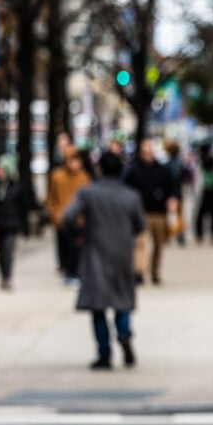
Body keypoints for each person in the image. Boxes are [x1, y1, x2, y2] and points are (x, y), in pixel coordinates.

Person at [63, 151, 145, 370]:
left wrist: (80, 233)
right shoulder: (131, 196)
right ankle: (125, 334)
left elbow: (67, 217)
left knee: (97, 307)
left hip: (95, 253)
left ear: (99, 169)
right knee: (122, 301)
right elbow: (139, 226)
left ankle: (104, 354)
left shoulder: (88, 193)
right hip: (122, 254)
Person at [123, 139, 178, 285]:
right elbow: (126, 188)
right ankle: (139, 271)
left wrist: (172, 199)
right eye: (145, 152)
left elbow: (173, 187)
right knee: (140, 244)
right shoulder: (134, 170)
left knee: (159, 245)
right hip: (141, 212)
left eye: (150, 152)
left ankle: (155, 272)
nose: (147, 155)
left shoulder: (162, 170)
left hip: (159, 212)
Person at [0, 154, 29, 291]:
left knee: (8, 251)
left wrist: (24, 227)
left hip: (11, 224)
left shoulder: (17, 186)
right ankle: (3, 275)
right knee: (0, 252)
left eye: (2, 169)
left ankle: (7, 277)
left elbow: (23, 208)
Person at [46, 145, 90, 285]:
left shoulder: (84, 177)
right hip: (62, 218)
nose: (74, 164)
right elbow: (51, 197)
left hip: (79, 220)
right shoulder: (57, 176)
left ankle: (76, 272)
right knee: (64, 246)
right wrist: (55, 214)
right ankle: (67, 271)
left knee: (77, 247)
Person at [164, 140, 192, 246]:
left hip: (167, 193)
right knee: (179, 215)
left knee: (167, 215)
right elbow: (187, 177)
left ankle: (167, 235)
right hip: (178, 192)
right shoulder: (181, 165)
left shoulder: (166, 165)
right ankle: (180, 236)